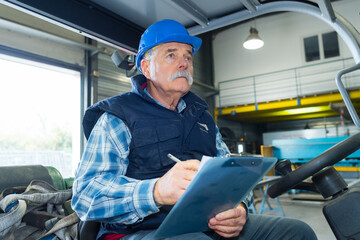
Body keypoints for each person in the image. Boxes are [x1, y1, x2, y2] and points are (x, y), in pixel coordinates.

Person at [72, 19, 317, 240]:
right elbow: (85, 196)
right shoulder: (117, 116)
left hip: (205, 224)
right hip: (141, 230)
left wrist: (239, 208)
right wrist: (156, 191)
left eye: (188, 56)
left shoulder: (202, 116)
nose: (184, 63)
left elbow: (229, 174)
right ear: (146, 68)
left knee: (297, 232)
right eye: (171, 55)